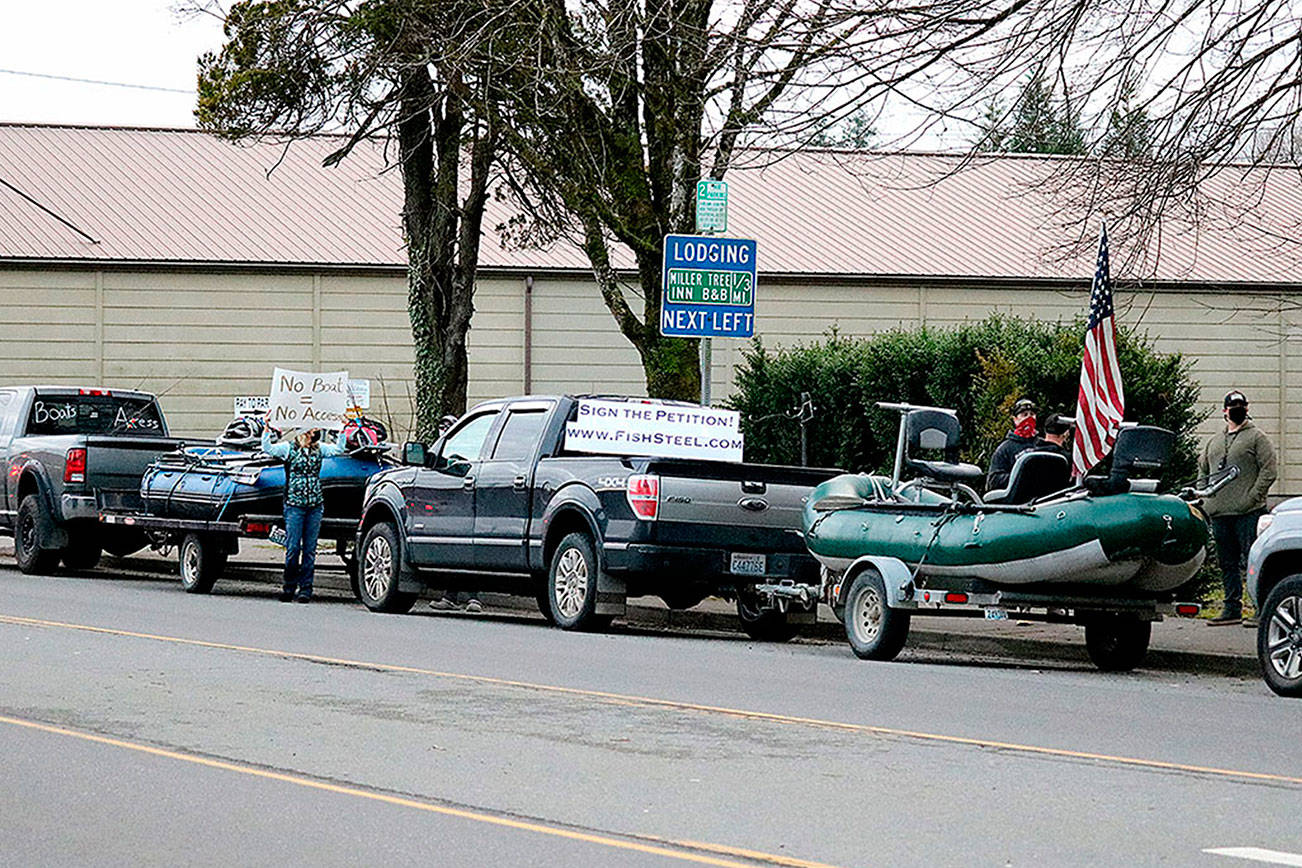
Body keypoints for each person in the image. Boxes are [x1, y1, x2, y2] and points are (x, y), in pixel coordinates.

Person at [1198, 390, 1277, 626]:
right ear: (1225, 411)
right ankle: (1232, 608)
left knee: (1253, 561)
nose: (1237, 409)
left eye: (1241, 405)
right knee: (1227, 564)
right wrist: (1205, 497)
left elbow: (1269, 471)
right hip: (1220, 514)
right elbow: (1202, 469)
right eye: (1233, 406)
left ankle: (1260, 609)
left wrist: (1252, 498)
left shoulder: (1257, 438)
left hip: (1248, 513)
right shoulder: (1214, 441)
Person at [261, 425, 346, 603]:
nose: (311, 435)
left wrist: (341, 429)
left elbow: (338, 449)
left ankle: (306, 589)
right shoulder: (289, 448)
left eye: (312, 433)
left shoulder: (318, 449)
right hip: (294, 505)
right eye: (308, 432)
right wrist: (267, 429)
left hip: (314, 505)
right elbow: (268, 448)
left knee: (310, 550)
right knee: (293, 548)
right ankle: (289, 587)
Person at [986, 398, 1040, 492]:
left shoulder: (1042, 444)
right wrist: (1019, 476)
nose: (1029, 418)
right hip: (1018, 500)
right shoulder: (1004, 449)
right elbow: (993, 481)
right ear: (1015, 419)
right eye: (1024, 415)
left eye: (1032, 414)